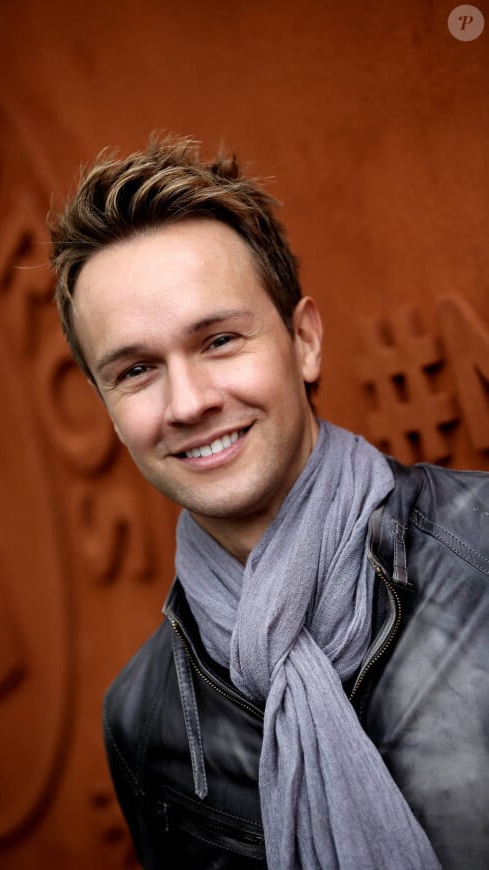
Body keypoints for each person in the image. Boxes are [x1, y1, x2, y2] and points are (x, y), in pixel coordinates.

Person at [49, 136, 489, 870]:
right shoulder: (143, 719)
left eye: (219, 339)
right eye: (135, 370)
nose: (188, 402)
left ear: (305, 341)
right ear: (107, 408)